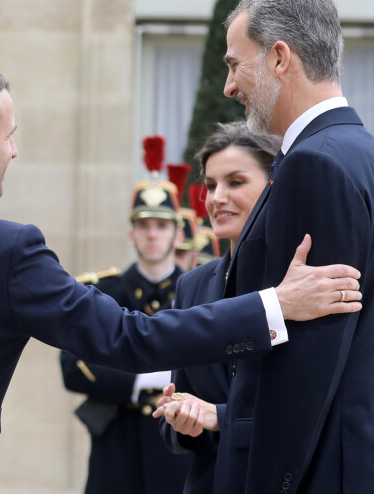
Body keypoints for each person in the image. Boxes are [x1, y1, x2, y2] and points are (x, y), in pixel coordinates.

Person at [0, 60, 362, 493]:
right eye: (9, 136)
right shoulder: (3, 249)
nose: (14, 151)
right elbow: (126, 338)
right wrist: (277, 305)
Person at [158, 0, 374, 493]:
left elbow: (306, 367)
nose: (229, 86)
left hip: (325, 473)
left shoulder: (314, 163)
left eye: (235, 64)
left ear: (280, 57)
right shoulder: (368, 156)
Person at [60, 139, 191, 493]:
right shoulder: (100, 291)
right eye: (144, 225)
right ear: (131, 233)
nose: (152, 234)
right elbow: (73, 367)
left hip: (177, 447)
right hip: (117, 445)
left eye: (162, 226)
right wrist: (140, 379)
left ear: (177, 234)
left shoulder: (197, 292)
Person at [157, 122, 282, 493]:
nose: (216, 197)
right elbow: (178, 403)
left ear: (273, 187)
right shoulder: (192, 284)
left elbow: (311, 407)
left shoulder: (298, 284)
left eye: (235, 182)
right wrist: (182, 420)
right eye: (211, 185)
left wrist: (221, 417)